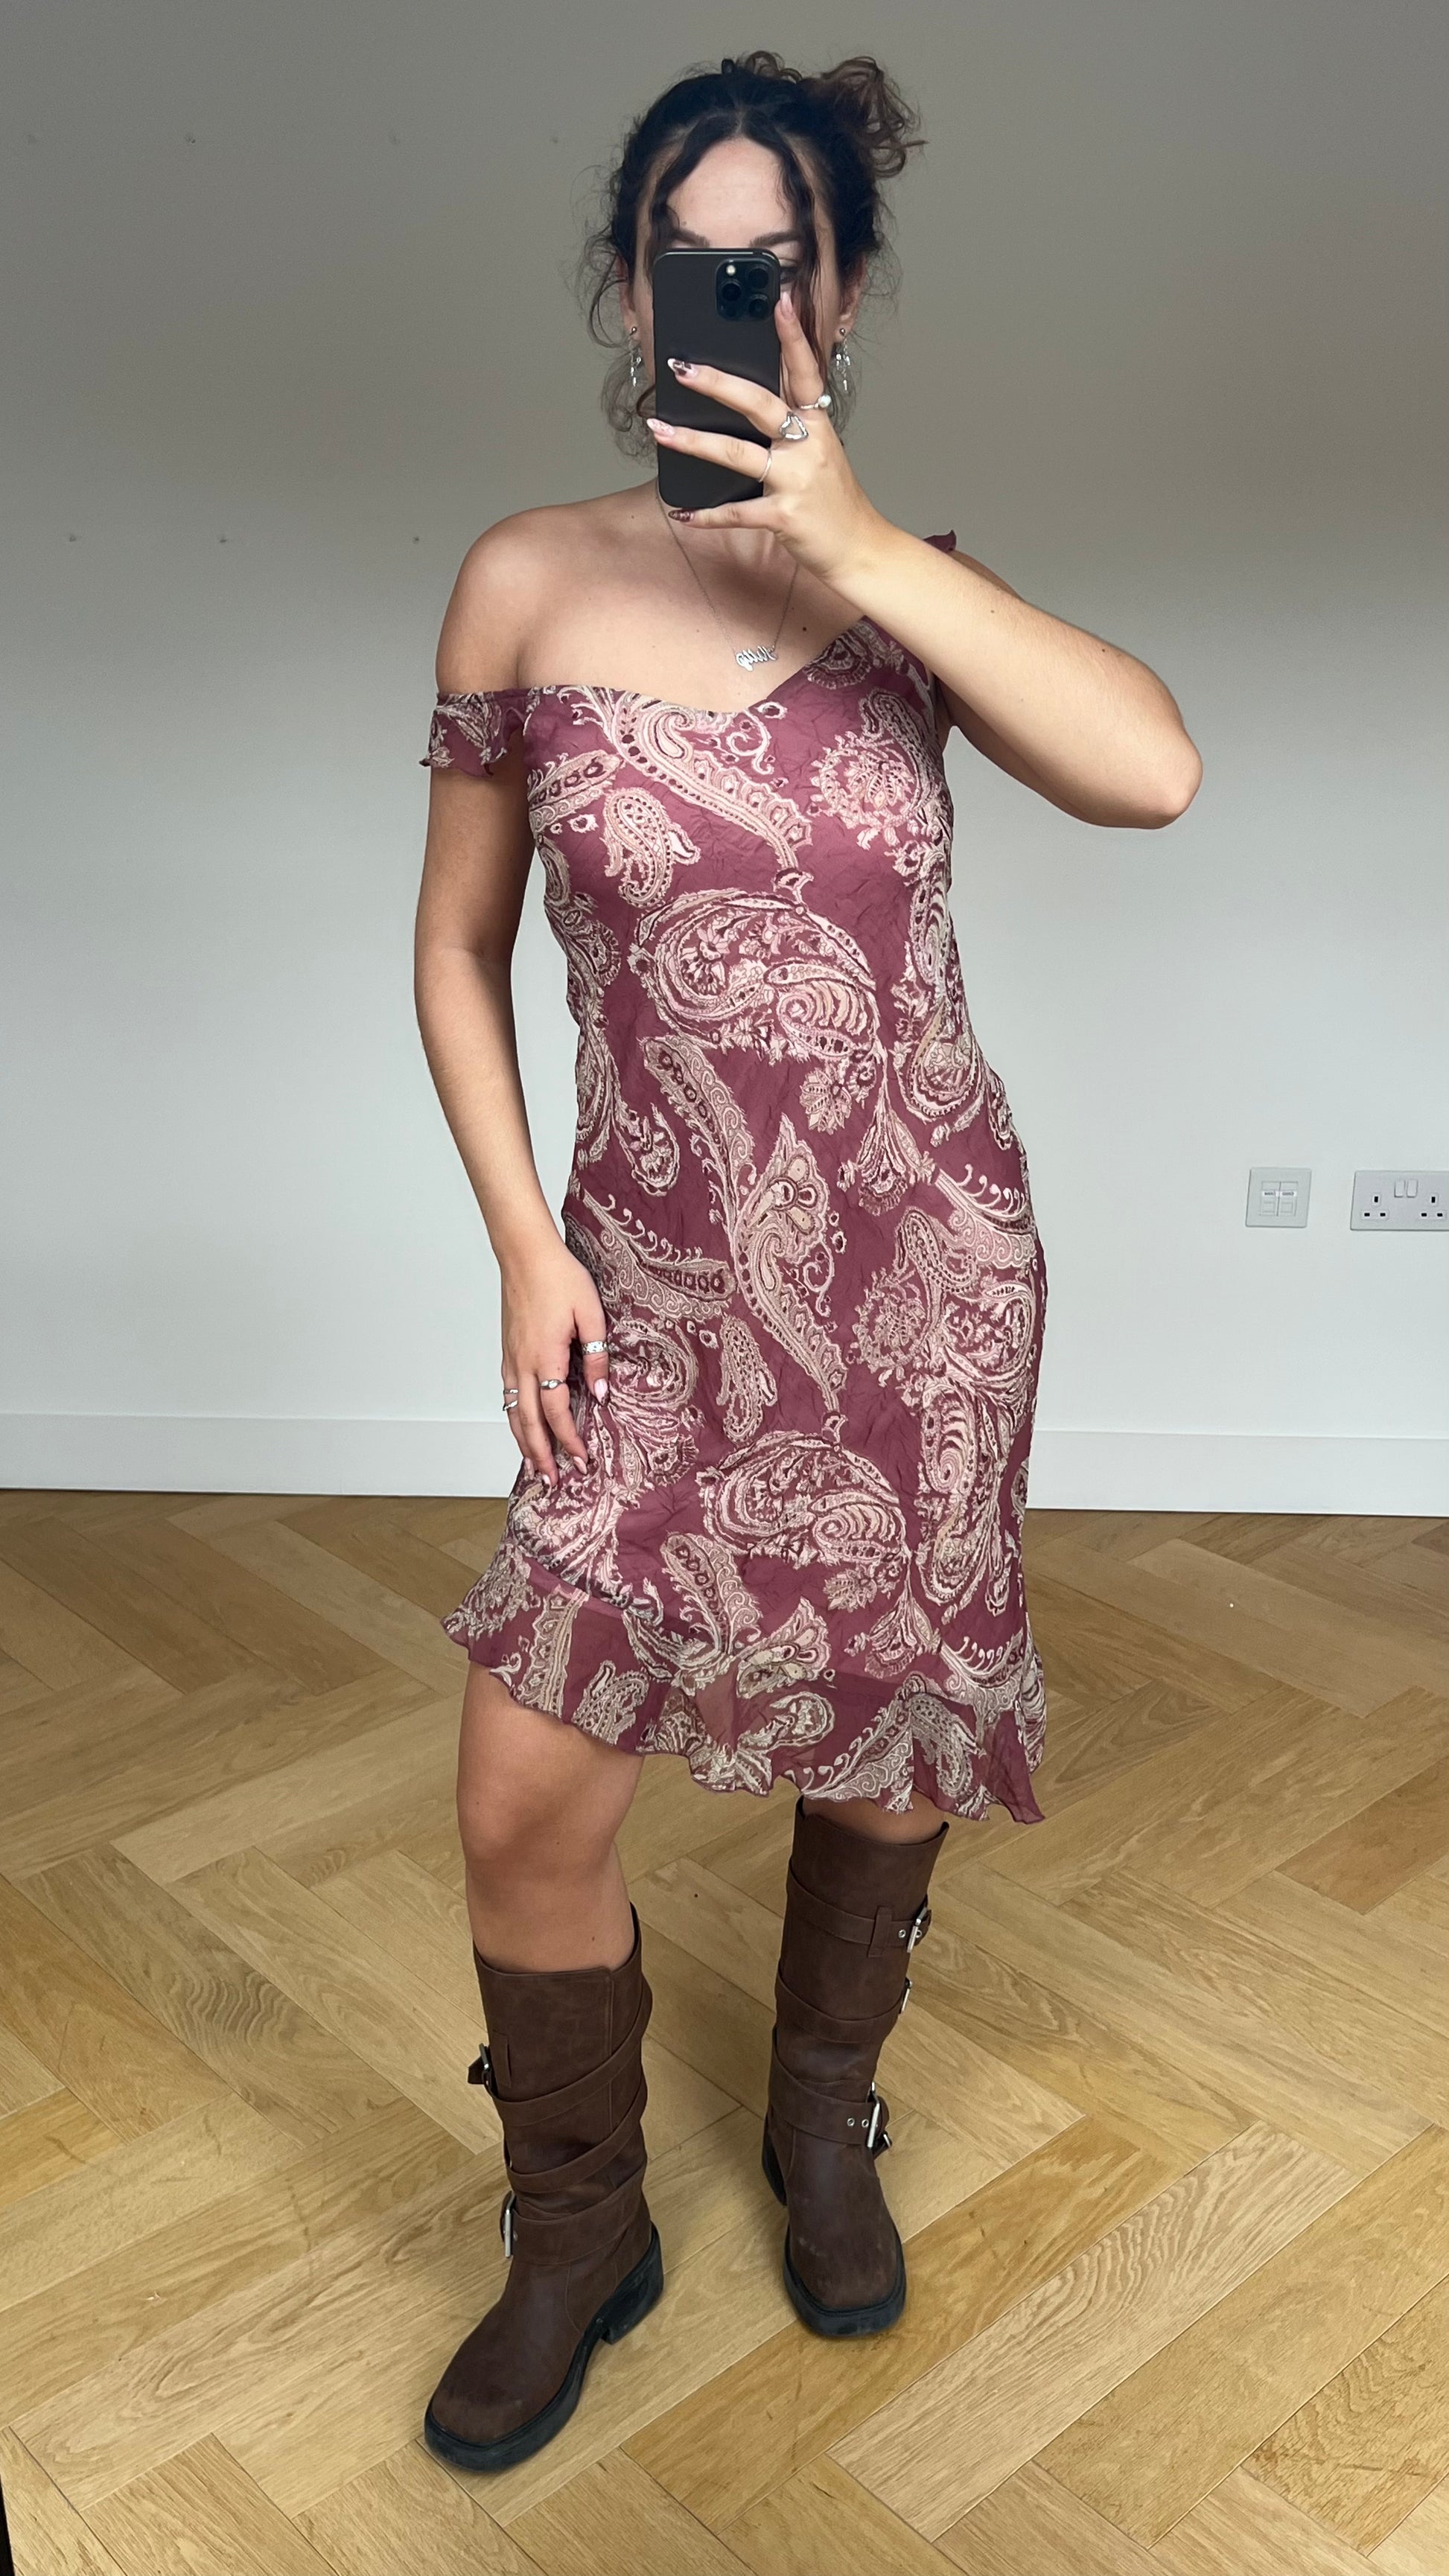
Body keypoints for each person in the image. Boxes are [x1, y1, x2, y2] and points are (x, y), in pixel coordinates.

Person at [412, 50, 1200, 2474]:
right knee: (522, 1793)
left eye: (774, 259)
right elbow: (454, 950)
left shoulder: (911, 592)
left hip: (921, 1285)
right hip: (643, 1295)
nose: (731, 294)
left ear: (840, 294)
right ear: (625, 285)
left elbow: (1151, 769)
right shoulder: (527, 577)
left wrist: (856, 544)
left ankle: (820, 2113)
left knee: (885, 1741)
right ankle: (575, 2223)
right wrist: (522, 1242)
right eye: (689, 257)